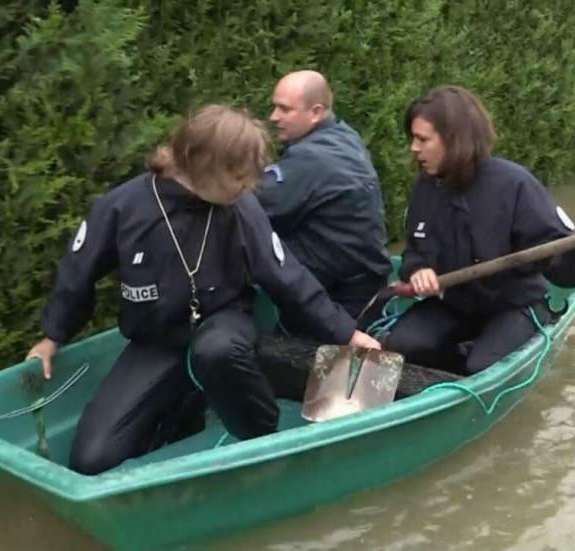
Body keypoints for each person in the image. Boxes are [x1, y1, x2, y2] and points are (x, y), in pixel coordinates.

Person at [25, 105, 381, 475]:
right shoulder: (123, 206)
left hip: (223, 327)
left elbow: (286, 275)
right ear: (203, 165)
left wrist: (346, 333)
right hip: (158, 341)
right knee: (90, 460)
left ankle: (266, 443)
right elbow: (77, 271)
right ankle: (183, 411)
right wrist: (53, 336)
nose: (250, 187)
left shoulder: (240, 207)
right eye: (240, 177)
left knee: (217, 350)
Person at [382, 85, 575, 375]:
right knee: (400, 347)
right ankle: (453, 367)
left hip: (513, 306)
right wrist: (419, 270)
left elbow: (560, 261)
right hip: (454, 304)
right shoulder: (426, 188)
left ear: (453, 140)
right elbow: (416, 252)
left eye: (422, 139)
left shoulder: (514, 185)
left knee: (481, 367)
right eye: (413, 138)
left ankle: (476, 361)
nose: (414, 148)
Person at [257, 70, 393, 320]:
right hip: (364, 281)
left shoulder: (312, 158)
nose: (273, 117)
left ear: (316, 112)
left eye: (284, 109)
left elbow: (253, 205)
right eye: (274, 107)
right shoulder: (343, 135)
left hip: (340, 297)